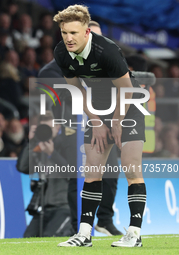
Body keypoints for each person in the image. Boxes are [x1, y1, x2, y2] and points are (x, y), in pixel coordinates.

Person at [53, 5, 146, 247]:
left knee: (131, 167)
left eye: (73, 33)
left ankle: (134, 234)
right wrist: (96, 121)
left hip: (129, 104)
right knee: (92, 168)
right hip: (99, 108)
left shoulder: (107, 50)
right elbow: (75, 89)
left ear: (86, 32)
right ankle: (84, 234)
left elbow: (126, 90)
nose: (68, 38)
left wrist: (117, 122)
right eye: (64, 33)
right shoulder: (62, 52)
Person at [37, 20, 123, 237]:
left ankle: (105, 220)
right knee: (80, 177)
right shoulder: (57, 66)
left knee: (111, 171)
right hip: (73, 129)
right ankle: (79, 228)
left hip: (102, 125)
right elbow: (58, 89)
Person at [17, 111, 75, 237]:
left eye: (49, 127)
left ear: (58, 127)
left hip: (65, 207)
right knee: (27, 239)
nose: (46, 131)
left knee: (50, 237)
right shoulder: (40, 148)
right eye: (43, 128)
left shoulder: (67, 144)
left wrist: (52, 154)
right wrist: (30, 142)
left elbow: (72, 173)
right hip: (43, 207)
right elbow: (23, 168)